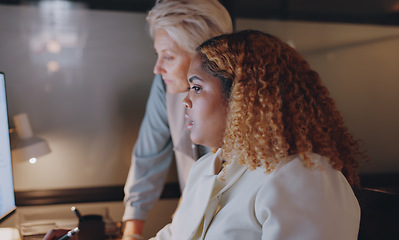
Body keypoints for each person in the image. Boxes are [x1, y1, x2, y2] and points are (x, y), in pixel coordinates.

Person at [151, 29, 365, 239]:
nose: (185, 101)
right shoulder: (205, 169)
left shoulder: (307, 177)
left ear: (241, 97)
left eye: (196, 87)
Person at [122, 0, 232, 239]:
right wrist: (132, 231)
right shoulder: (166, 86)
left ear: (204, 57)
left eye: (168, 57)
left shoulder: (242, 106)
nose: (157, 68)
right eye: (158, 55)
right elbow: (148, 157)